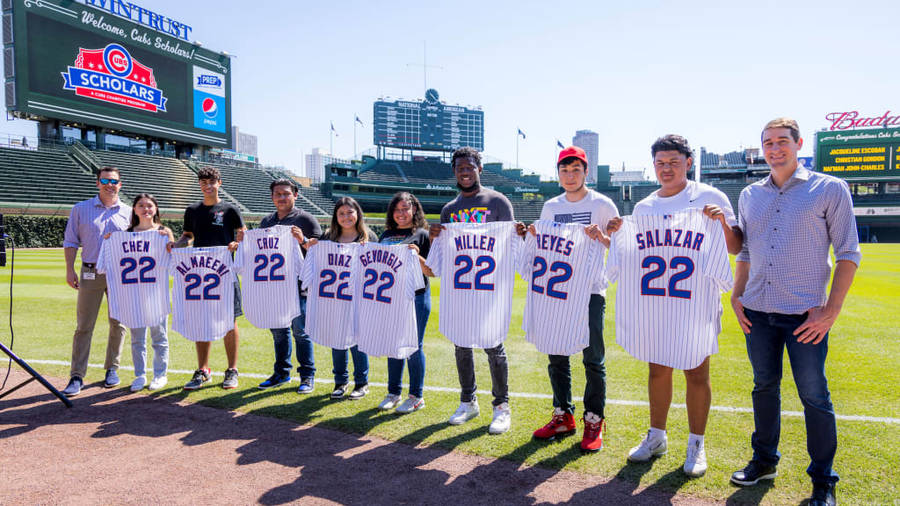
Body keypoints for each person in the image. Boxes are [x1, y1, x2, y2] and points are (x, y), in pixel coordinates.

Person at [730, 118, 859, 506]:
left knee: (814, 396)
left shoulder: (829, 188)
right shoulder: (751, 194)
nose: (775, 149)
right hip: (757, 311)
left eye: (782, 141)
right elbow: (748, 251)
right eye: (768, 142)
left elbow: (849, 252)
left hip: (805, 317)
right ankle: (765, 461)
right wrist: (737, 297)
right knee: (763, 389)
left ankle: (823, 480)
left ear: (798, 143)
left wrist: (831, 310)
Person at [607, 134, 742, 476]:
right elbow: (633, 254)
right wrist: (615, 234)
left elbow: (736, 247)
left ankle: (696, 443)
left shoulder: (710, 196)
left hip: (694, 301)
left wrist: (722, 223)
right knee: (657, 369)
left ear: (689, 163)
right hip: (656, 301)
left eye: (674, 163)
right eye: (660, 163)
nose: (666, 169)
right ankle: (657, 436)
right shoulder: (644, 207)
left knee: (696, 370)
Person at [524, 146, 618, 452]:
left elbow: (618, 249)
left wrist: (600, 238)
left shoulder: (603, 205)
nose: (569, 175)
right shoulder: (551, 206)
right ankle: (563, 413)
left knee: (593, 358)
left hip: (590, 290)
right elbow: (545, 243)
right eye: (564, 170)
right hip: (557, 289)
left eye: (575, 169)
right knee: (556, 352)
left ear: (585, 171)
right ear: (558, 173)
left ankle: (594, 418)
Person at [429, 146, 516, 434]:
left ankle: (501, 406)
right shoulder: (449, 210)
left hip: (489, 287)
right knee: (462, 344)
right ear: (454, 172)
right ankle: (468, 401)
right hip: (462, 288)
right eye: (459, 168)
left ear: (479, 168)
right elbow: (443, 255)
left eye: (470, 167)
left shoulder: (498, 202)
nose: (465, 172)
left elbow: (511, 245)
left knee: (494, 346)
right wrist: (435, 236)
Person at [170, 166, 246, 390]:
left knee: (229, 320)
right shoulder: (192, 210)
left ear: (219, 183)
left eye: (211, 182)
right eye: (203, 182)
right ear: (199, 185)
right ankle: (203, 369)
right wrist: (176, 246)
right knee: (201, 318)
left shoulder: (230, 209)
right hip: (200, 272)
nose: (207, 186)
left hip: (224, 271)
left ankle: (232, 369)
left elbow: (243, 234)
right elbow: (187, 236)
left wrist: (237, 243)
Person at [61, 167, 132, 397]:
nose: (110, 184)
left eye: (114, 181)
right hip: (90, 272)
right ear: (97, 183)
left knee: (118, 323)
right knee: (84, 326)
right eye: (105, 180)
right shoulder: (81, 209)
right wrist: (69, 270)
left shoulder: (129, 213)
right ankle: (77, 375)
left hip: (120, 275)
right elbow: (71, 241)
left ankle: (112, 368)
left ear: (120, 184)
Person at [253, 178, 322, 394]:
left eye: (286, 193)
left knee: (300, 331)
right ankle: (281, 372)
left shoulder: (306, 219)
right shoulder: (266, 221)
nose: (282, 197)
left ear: (295, 194)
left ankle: (307, 375)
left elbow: (321, 250)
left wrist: (303, 240)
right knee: (278, 331)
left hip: (299, 285)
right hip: (274, 286)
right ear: (272, 196)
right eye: (278, 194)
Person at [308, 197, 375, 400]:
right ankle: (340, 381)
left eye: (350, 212)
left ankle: (362, 383)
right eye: (341, 214)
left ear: (358, 214)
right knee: (337, 339)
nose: (346, 217)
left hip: (358, 298)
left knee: (357, 340)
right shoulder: (328, 237)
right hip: (334, 297)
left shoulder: (368, 236)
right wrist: (311, 245)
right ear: (336, 217)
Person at [376, 192, 432, 414]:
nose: (401, 213)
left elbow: (432, 271)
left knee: (413, 346)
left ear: (414, 210)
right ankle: (393, 392)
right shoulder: (386, 234)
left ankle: (416, 396)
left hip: (416, 296)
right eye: (397, 210)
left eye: (405, 209)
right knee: (393, 343)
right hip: (391, 295)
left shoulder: (422, 234)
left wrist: (417, 257)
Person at [124, 194, 174, 392]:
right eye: (141, 205)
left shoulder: (164, 231)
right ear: (134, 209)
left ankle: (160, 374)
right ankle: (139, 375)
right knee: (137, 338)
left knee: (159, 336)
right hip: (134, 293)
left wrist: (170, 244)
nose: (146, 209)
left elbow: (173, 258)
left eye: (149, 206)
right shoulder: (125, 234)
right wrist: (111, 240)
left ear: (155, 209)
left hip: (156, 293)